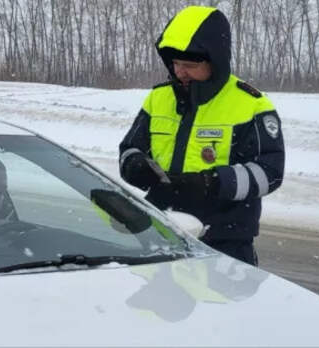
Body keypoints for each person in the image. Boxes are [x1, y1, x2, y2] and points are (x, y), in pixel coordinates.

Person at [119, 6, 285, 266]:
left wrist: (214, 183)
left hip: (224, 240)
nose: (179, 72)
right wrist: (134, 165)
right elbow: (129, 149)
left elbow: (270, 172)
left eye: (189, 65)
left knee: (224, 308)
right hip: (162, 232)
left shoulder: (251, 104)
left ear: (215, 60)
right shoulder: (158, 98)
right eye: (174, 63)